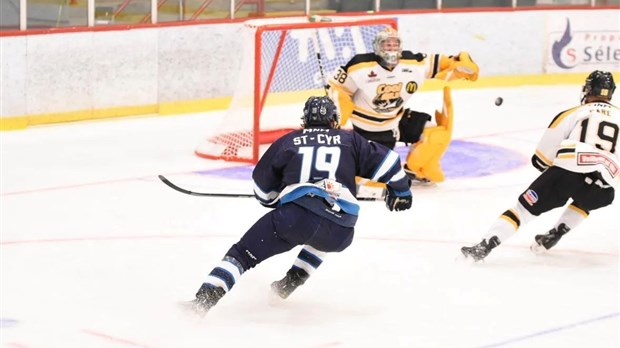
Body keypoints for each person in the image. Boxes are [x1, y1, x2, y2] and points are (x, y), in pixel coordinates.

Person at [185, 96, 412, 316]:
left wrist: (274, 202)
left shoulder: (289, 140)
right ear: (334, 121)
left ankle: (202, 301)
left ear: (304, 121)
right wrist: (401, 191)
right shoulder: (350, 140)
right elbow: (390, 163)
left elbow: (262, 187)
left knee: (242, 255)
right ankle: (290, 282)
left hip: (294, 220)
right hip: (341, 231)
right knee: (323, 233)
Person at [461, 71, 618, 262]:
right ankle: (556, 233)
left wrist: (555, 179)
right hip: (605, 186)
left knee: (522, 210)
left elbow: (542, 158)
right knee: (589, 194)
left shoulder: (573, 113)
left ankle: (484, 246)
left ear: (588, 89)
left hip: (568, 172)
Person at [327, 26, 479, 184]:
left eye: (395, 44)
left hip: (396, 121)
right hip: (368, 131)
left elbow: (442, 63)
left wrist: (460, 65)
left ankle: (417, 168)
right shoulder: (360, 66)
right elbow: (338, 89)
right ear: (377, 46)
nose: (392, 48)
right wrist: (339, 112)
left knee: (436, 133)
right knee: (373, 179)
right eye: (387, 44)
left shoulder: (413, 63)